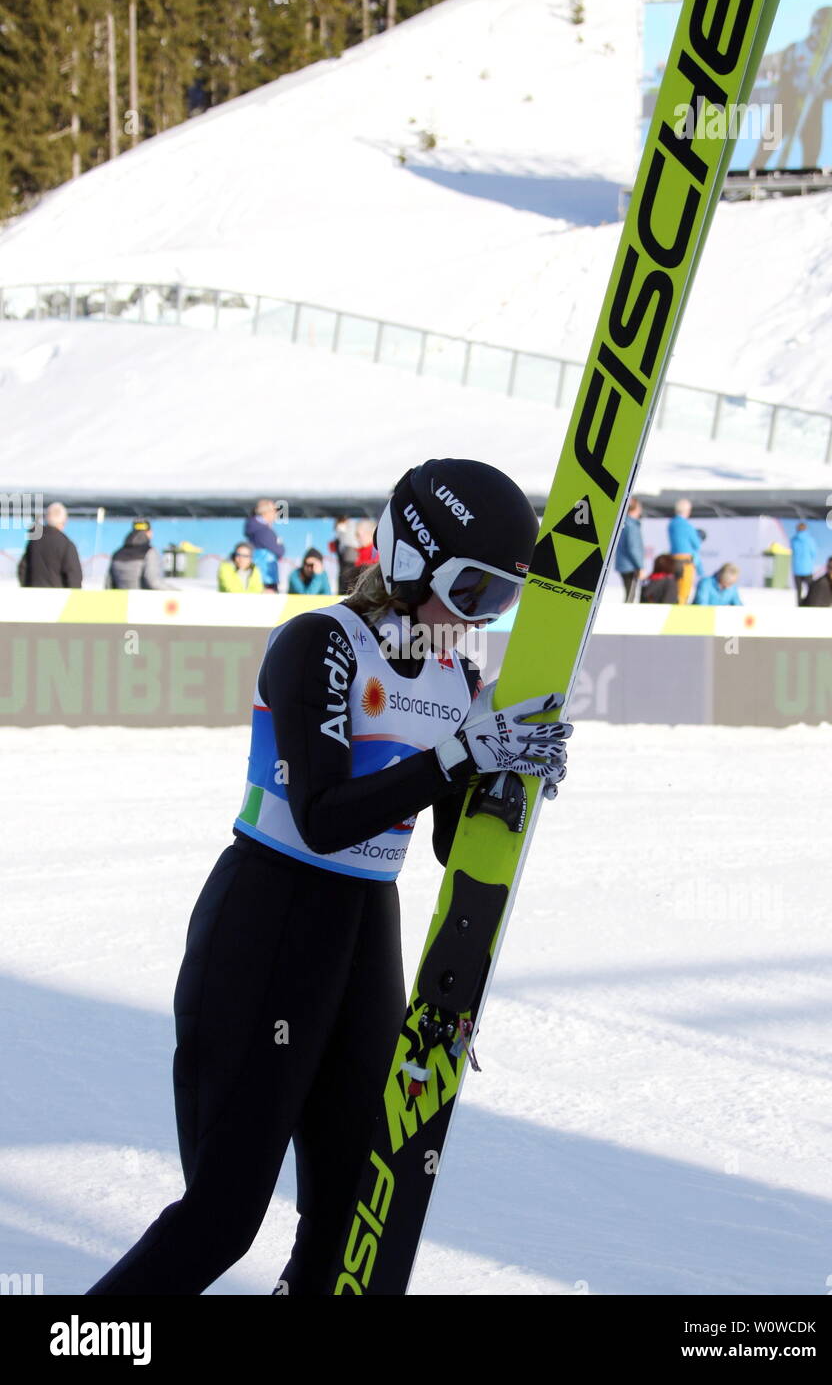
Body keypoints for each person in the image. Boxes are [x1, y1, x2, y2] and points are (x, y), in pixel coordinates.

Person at [84, 458, 571, 1297]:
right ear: (411, 560)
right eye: (470, 593)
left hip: (363, 928)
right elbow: (324, 814)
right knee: (222, 1220)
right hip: (270, 918)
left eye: (498, 602)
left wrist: (506, 782)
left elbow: (450, 844)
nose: (476, 620)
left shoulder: (457, 677)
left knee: (352, 1209)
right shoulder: (321, 642)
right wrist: (463, 754)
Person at [751, 7, 832, 171]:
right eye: (819, 27)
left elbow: (831, 81)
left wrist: (820, 87)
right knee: (768, 145)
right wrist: (796, 83)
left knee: (812, 148)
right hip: (787, 103)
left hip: (812, 106)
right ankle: (753, 175)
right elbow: (783, 79)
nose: (821, 33)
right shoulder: (795, 49)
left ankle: (807, 182)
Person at [17, 501, 83, 589]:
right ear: (64, 521)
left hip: (34, 597)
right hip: (59, 600)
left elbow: (22, 569)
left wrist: (28, 590)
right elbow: (74, 578)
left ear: (46, 518)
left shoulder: (34, 542)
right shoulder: (67, 545)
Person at [106, 520, 163, 590]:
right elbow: (154, 583)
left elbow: (108, 584)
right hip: (142, 599)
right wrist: (177, 593)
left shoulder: (117, 554)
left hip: (120, 600)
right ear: (149, 533)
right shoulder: (150, 552)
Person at [244, 499, 285, 592]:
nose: (276, 514)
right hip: (266, 576)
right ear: (265, 512)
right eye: (274, 511)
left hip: (260, 575)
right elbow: (279, 550)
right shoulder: (263, 531)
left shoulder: (255, 527)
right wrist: (280, 545)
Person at [667, 498, 703, 605]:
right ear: (688, 511)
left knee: (674, 589)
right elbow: (696, 544)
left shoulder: (671, 524)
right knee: (684, 591)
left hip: (673, 560)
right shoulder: (687, 525)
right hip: (686, 561)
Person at [614, 498, 644, 602]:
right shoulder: (632, 526)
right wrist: (639, 566)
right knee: (630, 595)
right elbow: (633, 548)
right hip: (630, 565)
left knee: (629, 593)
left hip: (624, 563)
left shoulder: (624, 523)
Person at [329, 515, 360, 594]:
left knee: (347, 577)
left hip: (349, 563)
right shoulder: (340, 538)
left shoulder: (350, 530)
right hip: (344, 568)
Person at [791, 521, 817, 605]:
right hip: (807, 568)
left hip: (797, 568)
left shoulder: (793, 540)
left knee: (799, 589)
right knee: (811, 588)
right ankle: (810, 603)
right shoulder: (810, 540)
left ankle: (800, 604)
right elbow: (813, 553)